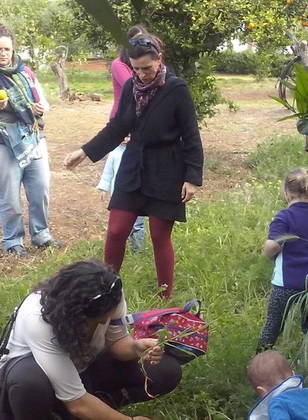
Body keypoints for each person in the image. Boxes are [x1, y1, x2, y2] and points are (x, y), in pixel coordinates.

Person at [0, 259, 182, 420]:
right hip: (29, 385)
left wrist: (135, 347)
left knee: (165, 371)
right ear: (72, 315)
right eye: (97, 321)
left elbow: (117, 343)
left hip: (80, 370)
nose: (103, 323)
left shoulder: (110, 295)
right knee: (31, 380)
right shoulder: (38, 320)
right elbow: (77, 402)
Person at [63, 31, 204, 300]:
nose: (142, 74)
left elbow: (191, 135)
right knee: (116, 230)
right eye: (136, 69)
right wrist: (84, 151)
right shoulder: (131, 87)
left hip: (167, 168)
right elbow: (118, 127)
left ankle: (165, 296)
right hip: (134, 164)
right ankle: (107, 290)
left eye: (147, 68)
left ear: (159, 60)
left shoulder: (177, 89)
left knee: (159, 236)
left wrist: (192, 177)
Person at [0, 23, 60, 258]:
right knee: (9, 194)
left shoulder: (24, 70)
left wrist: (41, 108)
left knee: (40, 188)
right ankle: (12, 241)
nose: (3, 54)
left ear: (13, 48)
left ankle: (41, 235)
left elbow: (44, 102)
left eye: (7, 49)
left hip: (32, 135)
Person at [256, 168, 308, 352]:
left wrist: (268, 255)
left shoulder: (284, 217)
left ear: (286, 193)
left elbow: (273, 246)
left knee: (272, 326)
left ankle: (260, 361)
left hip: (284, 285)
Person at [96, 137, 146, 252]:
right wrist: (104, 188)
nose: (125, 139)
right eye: (123, 135)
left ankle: (137, 250)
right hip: (120, 197)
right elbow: (108, 173)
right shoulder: (114, 153)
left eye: (129, 136)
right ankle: (120, 248)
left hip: (139, 195)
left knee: (138, 225)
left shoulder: (142, 151)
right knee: (120, 225)